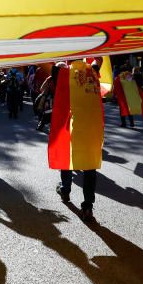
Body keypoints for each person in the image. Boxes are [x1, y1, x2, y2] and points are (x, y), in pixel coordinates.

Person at [49, 59, 105, 222]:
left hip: (72, 123)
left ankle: (65, 190)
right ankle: (87, 206)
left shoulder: (61, 73)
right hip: (92, 126)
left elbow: (48, 67)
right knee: (90, 165)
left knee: (68, 156)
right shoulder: (92, 71)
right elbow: (100, 59)